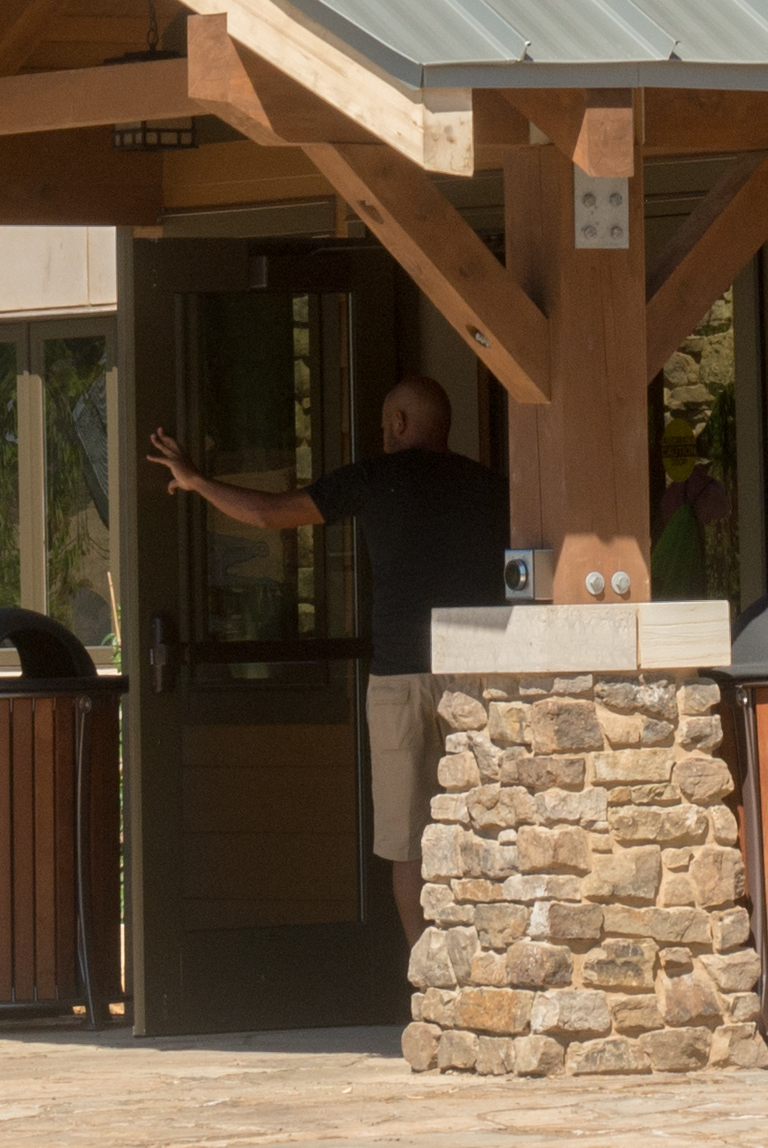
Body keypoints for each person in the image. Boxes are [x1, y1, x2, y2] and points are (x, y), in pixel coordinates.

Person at [151, 370, 513, 911]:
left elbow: (269, 514)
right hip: (479, 674)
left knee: (408, 847)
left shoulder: (374, 477)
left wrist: (197, 481)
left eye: (385, 424)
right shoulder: (489, 486)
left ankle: (420, 963)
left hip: (400, 680)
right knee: (490, 827)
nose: (382, 434)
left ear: (399, 423)